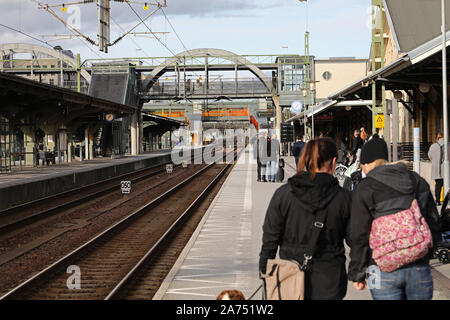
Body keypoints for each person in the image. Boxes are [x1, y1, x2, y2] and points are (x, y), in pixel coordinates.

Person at [349, 137, 441, 300]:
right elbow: (433, 221)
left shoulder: (365, 188)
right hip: (418, 266)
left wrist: (358, 272)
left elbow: (359, 234)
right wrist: (426, 253)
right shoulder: (416, 180)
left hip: (380, 269)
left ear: (368, 163)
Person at [259, 138, 352, 300]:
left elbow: (270, 238)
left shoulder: (283, 195)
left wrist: (264, 270)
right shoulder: (344, 198)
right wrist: (359, 271)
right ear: (334, 162)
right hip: (330, 279)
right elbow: (356, 237)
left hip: (290, 277)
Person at [428, 132, 444, 205]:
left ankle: (437, 200)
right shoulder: (448, 144)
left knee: (438, 186)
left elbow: (429, 156)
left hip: (436, 169)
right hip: (446, 169)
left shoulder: (433, 146)